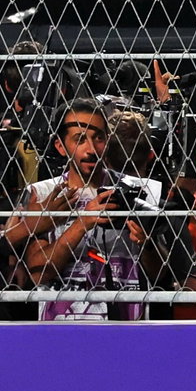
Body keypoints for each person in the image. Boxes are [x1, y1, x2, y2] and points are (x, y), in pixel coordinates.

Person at [20, 98, 164, 320]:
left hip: (126, 326)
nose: (91, 149)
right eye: (80, 139)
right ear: (60, 146)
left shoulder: (142, 190)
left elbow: (160, 273)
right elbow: (39, 273)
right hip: (61, 327)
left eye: (99, 138)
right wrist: (82, 223)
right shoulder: (41, 195)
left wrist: (147, 246)